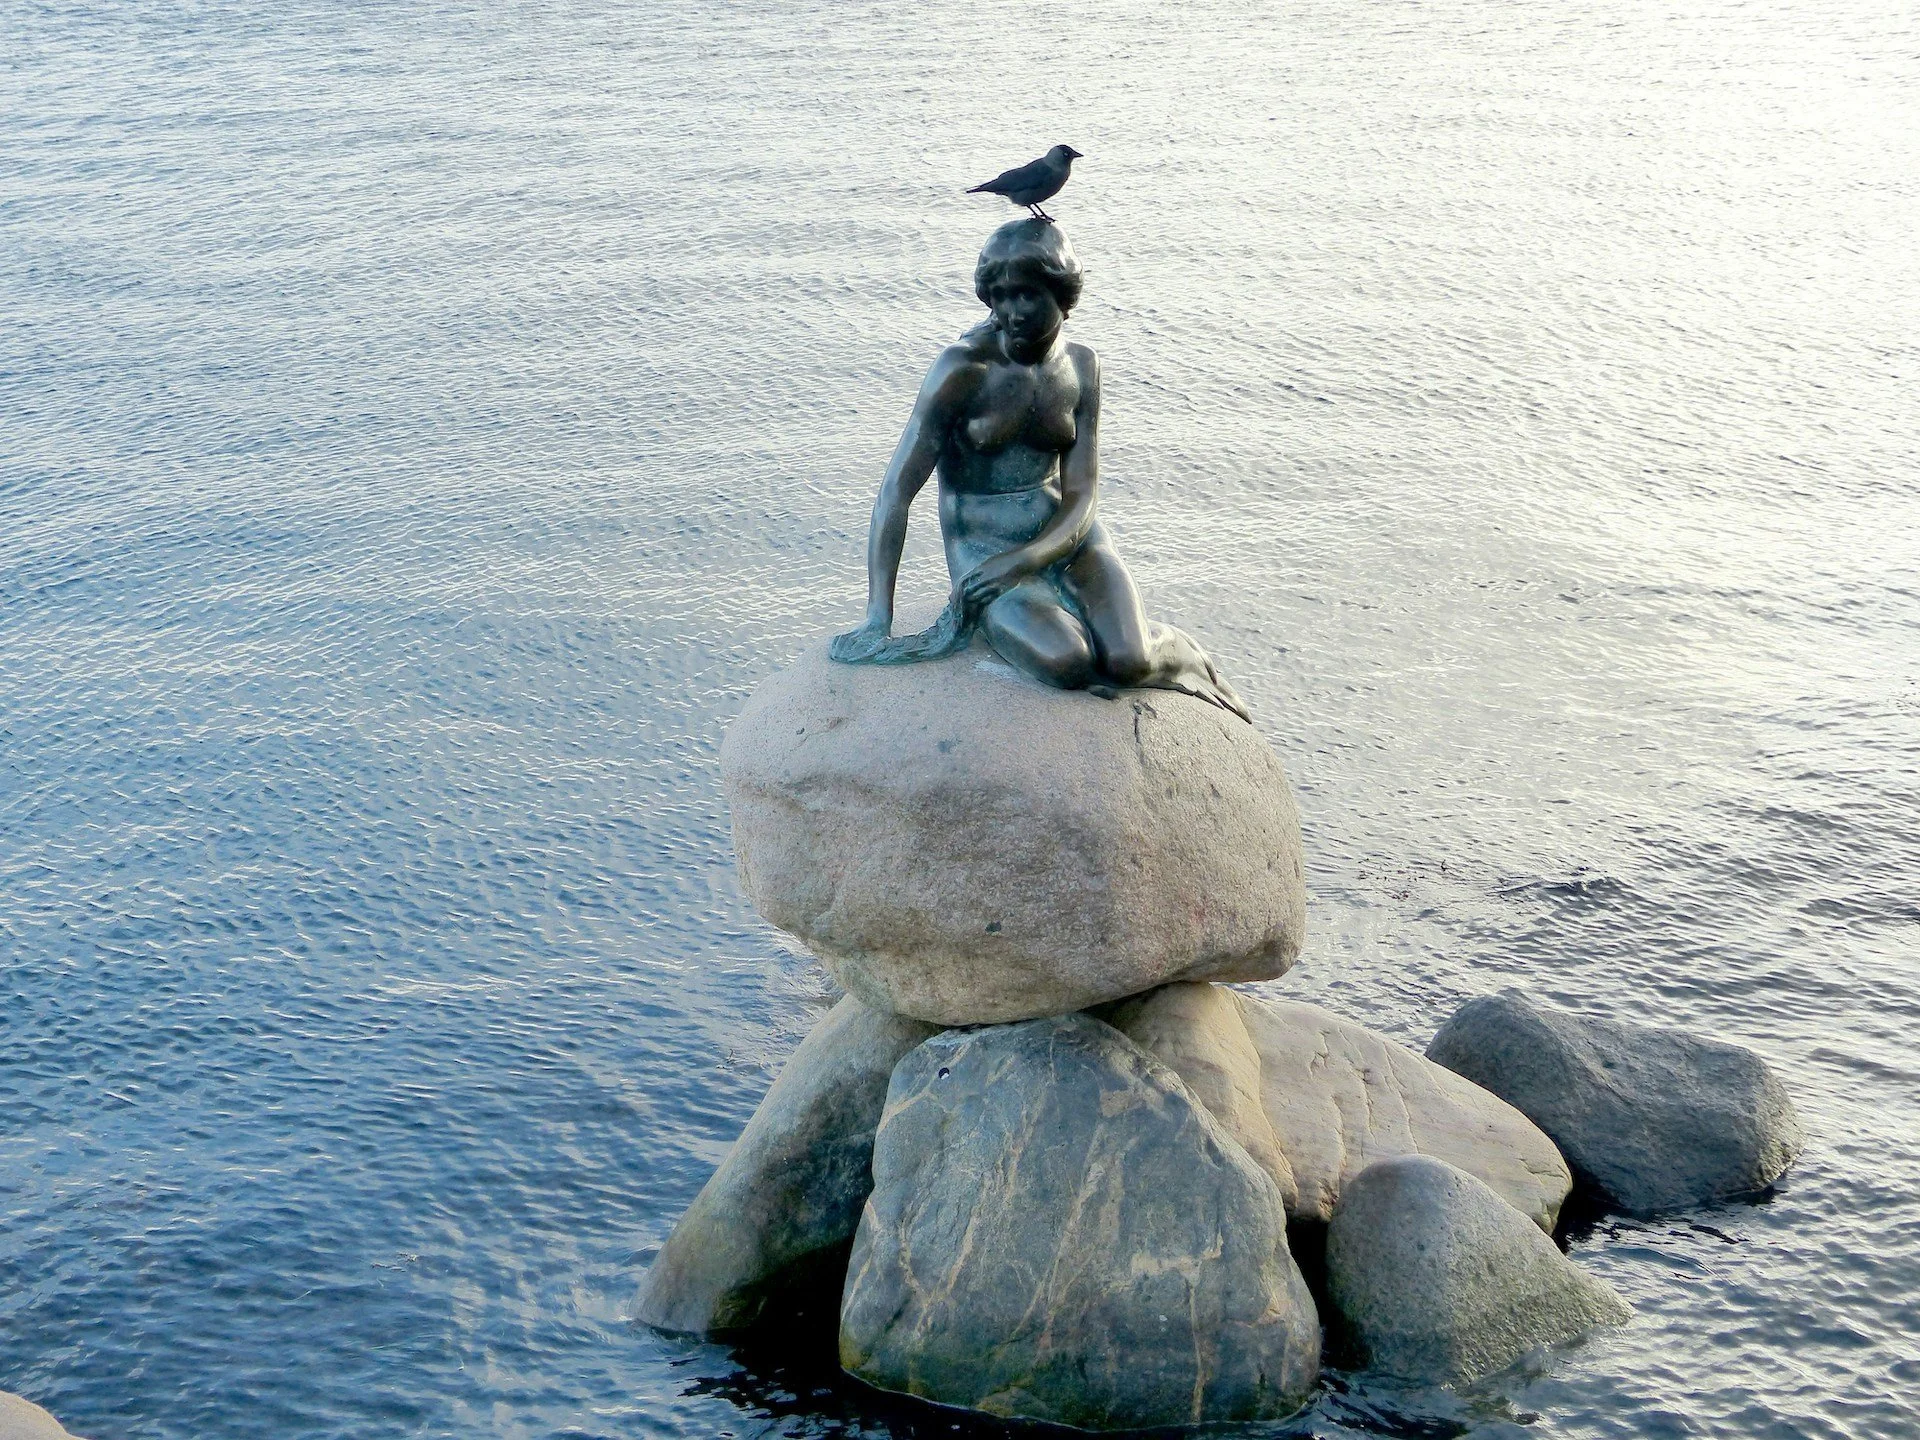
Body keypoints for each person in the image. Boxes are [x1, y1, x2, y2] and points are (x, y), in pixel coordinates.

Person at [830, 218, 1248, 721]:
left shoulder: (1082, 366)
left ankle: (1180, 651)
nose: (1011, 312)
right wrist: (879, 616)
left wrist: (1028, 559)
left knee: (1130, 661)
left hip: (1068, 538)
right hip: (986, 549)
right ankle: (1022, 621)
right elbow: (894, 495)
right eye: (1000, 297)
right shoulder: (962, 370)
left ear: (1062, 293)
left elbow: (1082, 494)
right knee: (1066, 661)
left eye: (1026, 295)